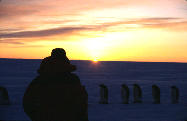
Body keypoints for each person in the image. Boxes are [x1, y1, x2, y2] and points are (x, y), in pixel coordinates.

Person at [23, 48, 88, 121]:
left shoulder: (40, 80)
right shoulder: (73, 79)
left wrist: (37, 117)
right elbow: (82, 103)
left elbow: (27, 102)